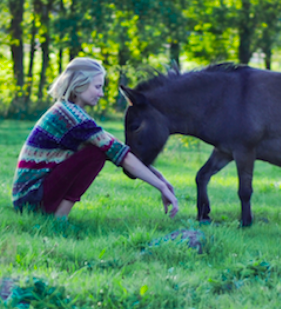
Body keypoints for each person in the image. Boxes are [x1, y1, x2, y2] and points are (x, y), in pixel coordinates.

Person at [12, 57, 179, 219]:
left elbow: (117, 148)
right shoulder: (71, 116)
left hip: (29, 198)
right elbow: (118, 153)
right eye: (97, 87)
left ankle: (57, 215)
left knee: (101, 149)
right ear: (79, 85)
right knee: (97, 153)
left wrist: (159, 177)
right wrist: (161, 186)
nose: (101, 94)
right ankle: (59, 218)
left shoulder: (69, 111)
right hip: (32, 198)